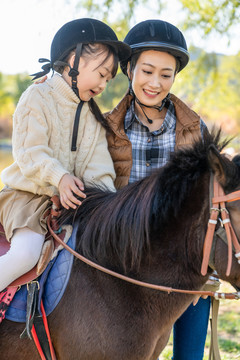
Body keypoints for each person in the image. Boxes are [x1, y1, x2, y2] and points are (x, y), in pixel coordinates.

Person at [104, 19, 212, 360]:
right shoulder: (105, 129)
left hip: (185, 262)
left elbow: (210, 206)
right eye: (147, 71)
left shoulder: (195, 129)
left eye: (166, 74)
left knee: (189, 355)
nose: (155, 83)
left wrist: (206, 273)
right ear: (128, 69)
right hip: (124, 260)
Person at [0, 18, 131, 292]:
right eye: (101, 72)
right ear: (74, 58)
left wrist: (108, 208)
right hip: (25, 198)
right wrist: (60, 178)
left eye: (109, 78)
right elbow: (30, 153)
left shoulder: (92, 117)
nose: (104, 84)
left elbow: (99, 170)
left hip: (66, 205)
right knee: (26, 253)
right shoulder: (37, 97)